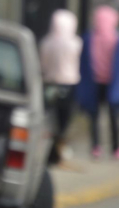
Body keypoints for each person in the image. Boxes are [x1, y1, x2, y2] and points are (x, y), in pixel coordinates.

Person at [76, 5, 119, 160]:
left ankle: (96, 146)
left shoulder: (89, 39)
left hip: (95, 82)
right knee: (114, 117)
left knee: (94, 117)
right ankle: (116, 148)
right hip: (111, 84)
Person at [40, 10, 82, 164]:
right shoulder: (75, 43)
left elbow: (43, 64)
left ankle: (49, 151)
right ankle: (60, 150)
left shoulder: (46, 42)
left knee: (50, 119)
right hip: (69, 85)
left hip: (50, 84)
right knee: (64, 122)